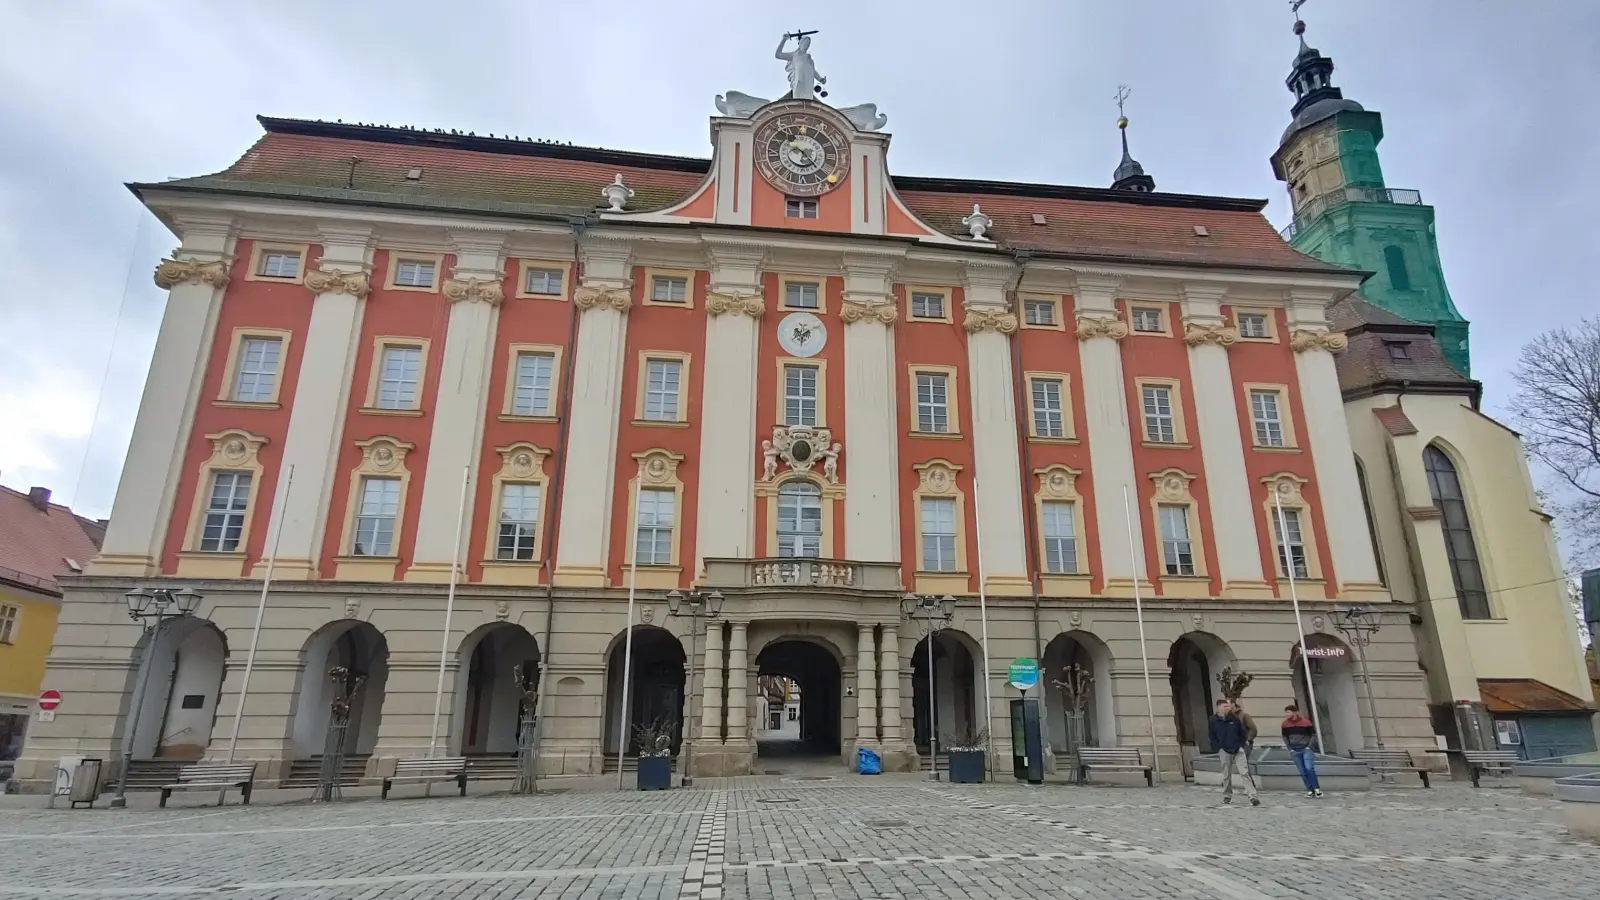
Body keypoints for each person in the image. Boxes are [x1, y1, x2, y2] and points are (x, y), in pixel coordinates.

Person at [1208, 698, 1259, 806]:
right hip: (1224, 749)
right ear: (1219, 707)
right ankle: (1227, 795)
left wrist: (1241, 744)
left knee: (1244, 772)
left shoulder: (1234, 718)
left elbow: (1242, 732)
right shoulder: (1213, 720)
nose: (1227, 708)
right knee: (1226, 774)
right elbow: (1212, 735)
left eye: (1228, 706)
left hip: (1237, 748)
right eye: (1225, 706)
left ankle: (1252, 796)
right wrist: (1218, 747)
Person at [1282, 703, 1324, 798]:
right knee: (1302, 771)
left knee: (1309, 768)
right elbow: (1285, 737)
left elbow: (1313, 734)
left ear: (1294, 712)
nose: (1286, 715)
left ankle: (1317, 788)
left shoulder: (1306, 722)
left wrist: (1309, 746)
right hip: (1294, 750)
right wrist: (1290, 749)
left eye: (1288, 712)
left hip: (1306, 749)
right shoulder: (1285, 724)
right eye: (1286, 713)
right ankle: (1310, 790)